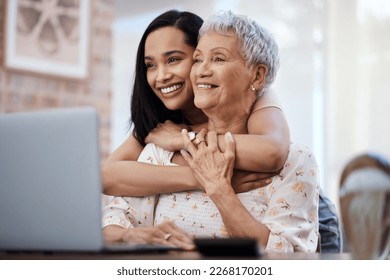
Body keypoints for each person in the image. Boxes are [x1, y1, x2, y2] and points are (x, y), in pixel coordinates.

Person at [103, 10, 320, 253]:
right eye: (198, 59)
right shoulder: (158, 145)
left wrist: (217, 185)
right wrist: (200, 176)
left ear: (257, 76)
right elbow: (110, 204)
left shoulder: (291, 154)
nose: (162, 76)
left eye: (218, 59)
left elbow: (286, 256)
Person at [102, 10, 290, 198]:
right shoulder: (160, 120)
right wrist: (203, 176)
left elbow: (272, 151)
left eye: (173, 59)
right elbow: (105, 176)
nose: (161, 76)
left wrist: (186, 140)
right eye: (151, 65)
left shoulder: (256, 95)